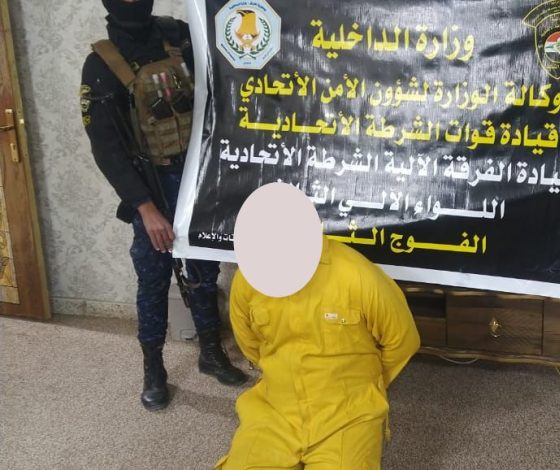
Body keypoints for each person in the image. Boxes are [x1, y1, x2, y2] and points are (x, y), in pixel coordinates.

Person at [80, 0, 247, 411]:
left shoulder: (178, 36)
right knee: (153, 279)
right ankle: (153, 368)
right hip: (151, 186)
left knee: (204, 271)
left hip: (197, 179)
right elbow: (106, 148)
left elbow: (223, 80)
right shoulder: (101, 63)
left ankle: (211, 352)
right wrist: (144, 207)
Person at [216, 237, 421, 469]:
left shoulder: (358, 274)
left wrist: (370, 384)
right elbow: (249, 344)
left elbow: (403, 340)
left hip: (348, 413)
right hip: (275, 407)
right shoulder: (249, 278)